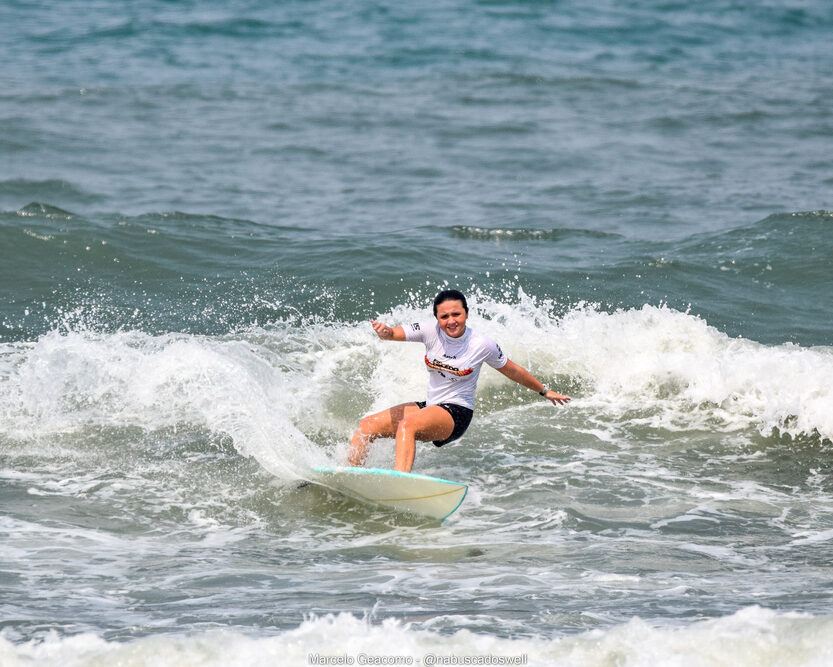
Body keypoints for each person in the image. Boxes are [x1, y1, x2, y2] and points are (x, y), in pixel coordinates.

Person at [348, 289, 570, 473]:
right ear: (437, 318)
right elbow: (393, 333)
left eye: (456, 314)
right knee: (368, 425)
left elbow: (512, 370)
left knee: (409, 424)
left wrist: (544, 391)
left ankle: (398, 484)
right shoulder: (429, 331)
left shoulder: (482, 344)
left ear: (466, 313)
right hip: (432, 407)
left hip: (457, 413)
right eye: (444, 317)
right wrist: (385, 332)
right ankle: (350, 476)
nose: (451, 321)